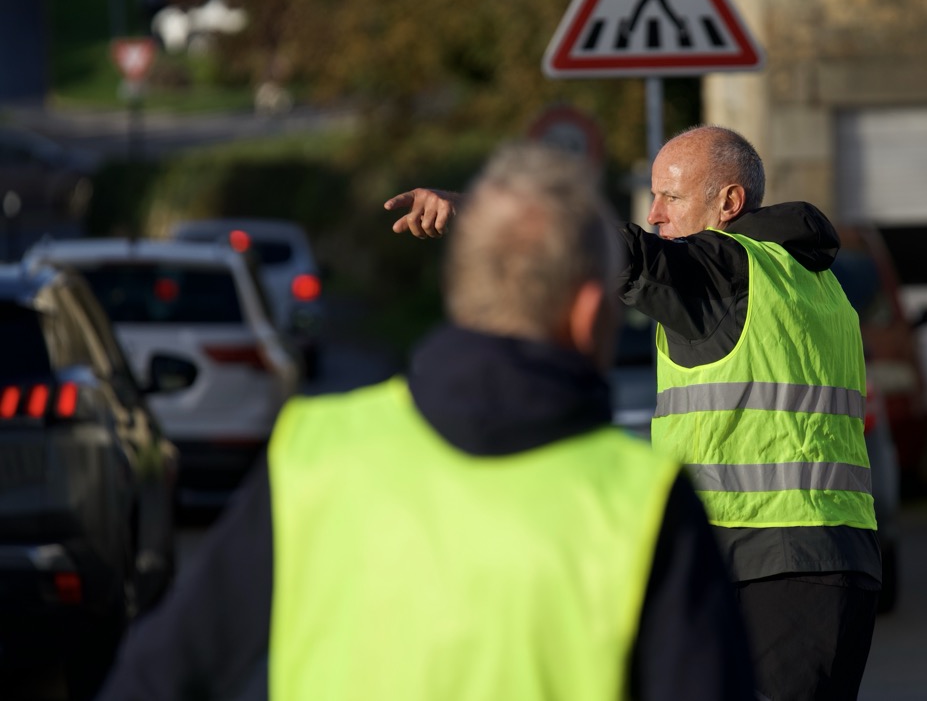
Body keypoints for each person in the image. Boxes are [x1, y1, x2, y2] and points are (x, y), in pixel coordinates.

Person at [98, 143, 755, 701]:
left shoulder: (316, 456)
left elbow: (158, 673)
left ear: (460, 293)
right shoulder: (641, 501)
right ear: (589, 314)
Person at [387, 126, 882, 700]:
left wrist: (478, 210)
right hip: (827, 560)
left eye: (671, 196)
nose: (654, 214)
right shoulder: (813, 282)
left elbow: (608, 250)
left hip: (770, 564)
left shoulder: (724, 271)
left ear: (729, 202)